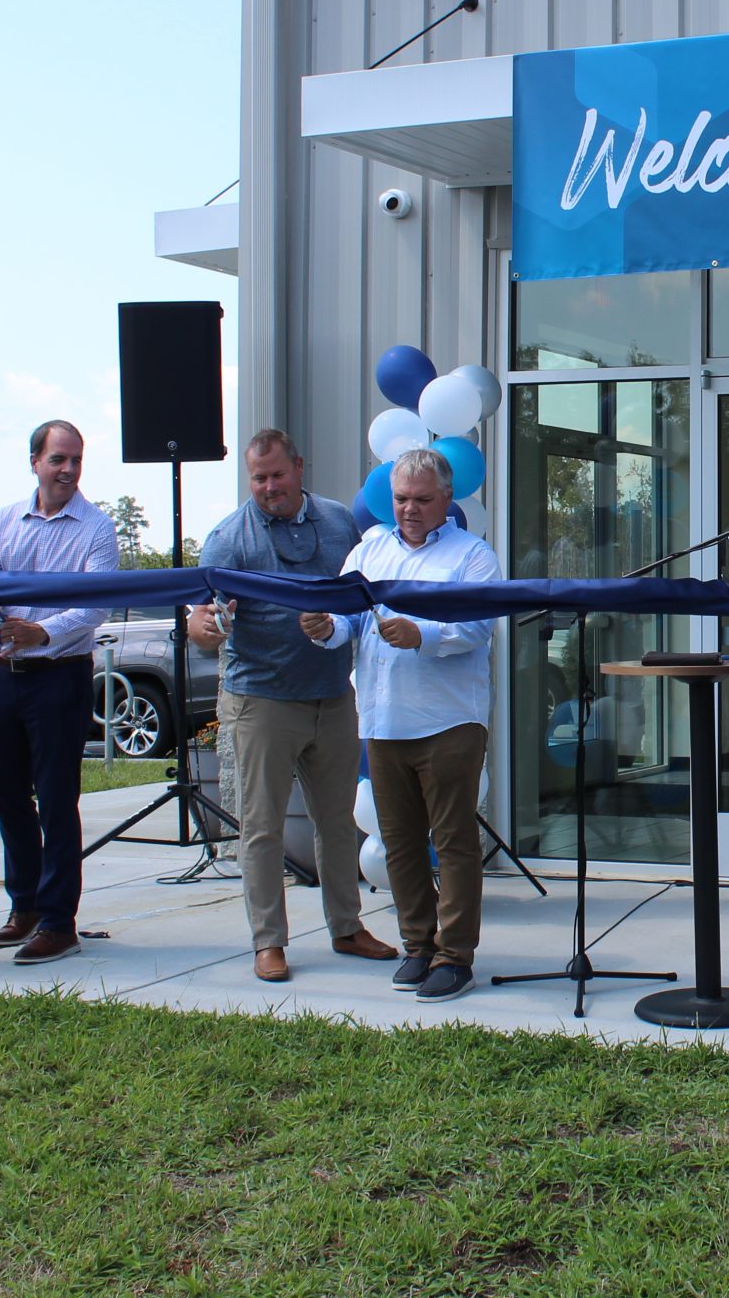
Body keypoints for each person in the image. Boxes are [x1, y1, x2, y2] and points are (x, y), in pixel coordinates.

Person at [189, 428, 395, 982]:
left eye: (278, 475)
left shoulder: (336, 523)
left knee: (337, 821)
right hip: (261, 701)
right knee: (262, 826)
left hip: (332, 695)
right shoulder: (228, 539)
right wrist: (206, 627)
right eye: (258, 478)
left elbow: (359, 595)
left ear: (299, 468)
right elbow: (200, 623)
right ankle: (269, 942)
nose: (269, 487)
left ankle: (347, 928)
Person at [306, 447, 498, 1002]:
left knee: (454, 840)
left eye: (420, 500)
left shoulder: (472, 555)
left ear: (446, 499)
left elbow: (481, 625)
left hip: (448, 719)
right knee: (400, 841)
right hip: (384, 717)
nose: (408, 510)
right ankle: (418, 944)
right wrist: (322, 628)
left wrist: (425, 636)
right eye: (399, 500)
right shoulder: (368, 550)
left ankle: (455, 955)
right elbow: (346, 621)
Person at [0, 420, 121, 965]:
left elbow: (97, 604)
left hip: (60, 674)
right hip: (4, 675)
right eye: (58, 460)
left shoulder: (97, 528)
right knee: (7, 798)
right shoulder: (4, 521)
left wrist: (41, 632)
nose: (68, 470)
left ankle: (57, 921)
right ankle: (22, 905)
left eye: (76, 460)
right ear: (34, 463)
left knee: (55, 801)